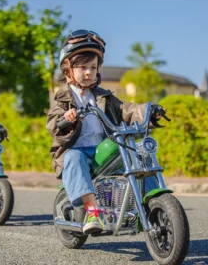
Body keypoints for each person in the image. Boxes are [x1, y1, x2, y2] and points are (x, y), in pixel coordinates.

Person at [46, 30, 163, 234]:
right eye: (82, 67)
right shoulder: (63, 98)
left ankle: (153, 200)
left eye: (93, 67)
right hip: (77, 151)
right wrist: (67, 118)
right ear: (67, 71)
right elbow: (53, 123)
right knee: (73, 156)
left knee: (139, 151)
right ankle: (92, 210)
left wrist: (149, 111)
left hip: (102, 149)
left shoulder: (103, 97)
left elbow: (126, 110)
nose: (89, 72)